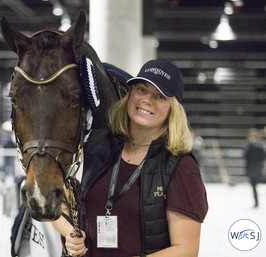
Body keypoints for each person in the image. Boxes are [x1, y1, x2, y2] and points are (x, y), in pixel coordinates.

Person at [52, 59, 208, 257]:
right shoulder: (99, 144)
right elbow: (58, 197)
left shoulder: (180, 166)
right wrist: (70, 234)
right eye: (142, 89)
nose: (147, 100)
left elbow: (186, 250)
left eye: (160, 96)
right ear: (130, 94)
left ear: (173, 108)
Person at [244, 128, 265, 208]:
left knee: (254, 186)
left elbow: (262, 157)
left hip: (257, 169)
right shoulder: (249, 146)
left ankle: (256, 203)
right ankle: (256, 202)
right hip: (251, 168)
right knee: (253, 186)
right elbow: (245, 156)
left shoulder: (259, 146)